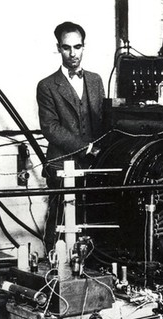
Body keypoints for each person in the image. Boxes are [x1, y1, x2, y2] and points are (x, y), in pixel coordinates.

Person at [36, 21, 105, 254]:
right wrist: (86, 147)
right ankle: (52, 264)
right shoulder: (46, 86)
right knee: (59, 219)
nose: (73, 53)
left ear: (84, 47)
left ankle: (91, 263)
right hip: (61, 162)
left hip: (93, 164)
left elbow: (101, 120)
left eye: (78, 46)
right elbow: (50, 127)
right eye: (67, 48)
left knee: (91, 217)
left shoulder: (95, 80)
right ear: (59, 48)